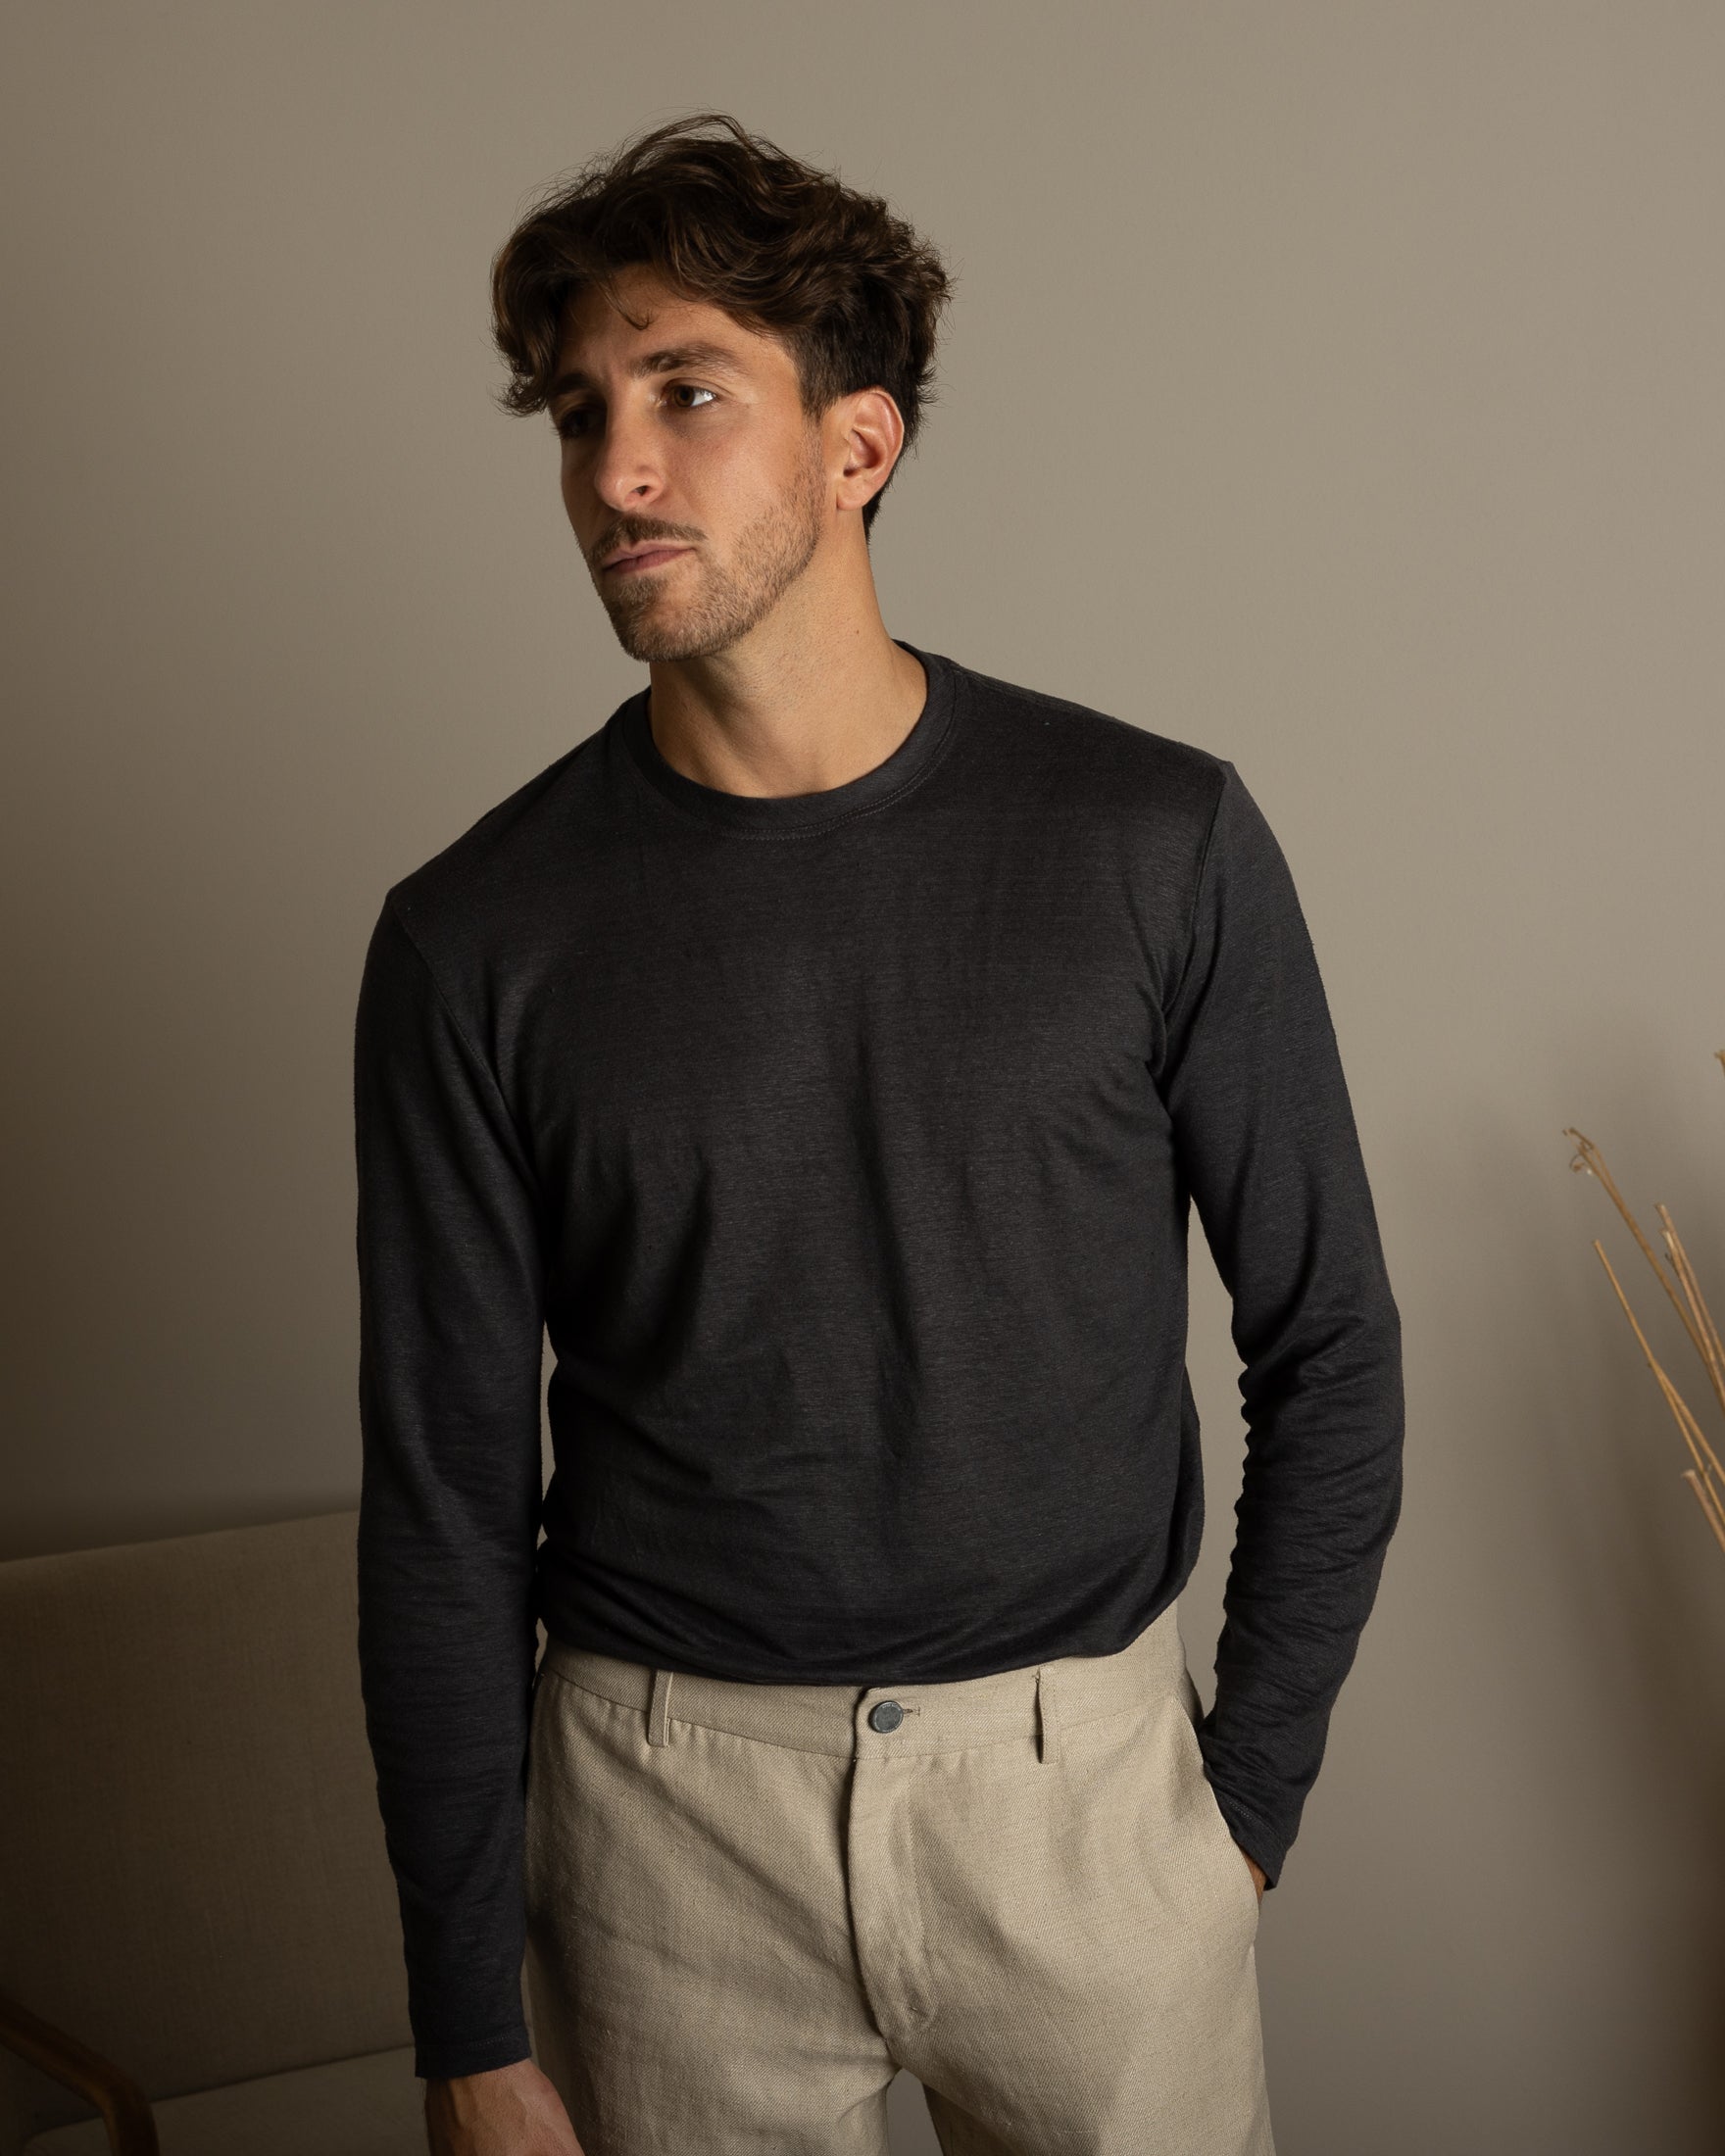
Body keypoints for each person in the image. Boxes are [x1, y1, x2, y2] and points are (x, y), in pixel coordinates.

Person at [353, 111, 1404, 2156]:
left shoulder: (1154, 840)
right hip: (660, 1831)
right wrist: (463, 2016)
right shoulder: (472, 938)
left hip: (1088, 1801)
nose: (614, 470)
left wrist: (1240, 1811)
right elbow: (445, 1502)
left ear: (859, 444)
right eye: (579, 413)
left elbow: (1331, 1342)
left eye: (685, 392)